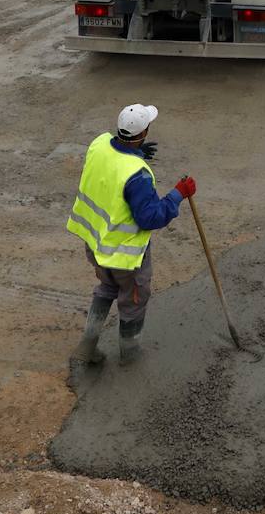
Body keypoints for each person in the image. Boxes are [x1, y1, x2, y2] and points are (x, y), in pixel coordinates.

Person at [67, 103, 196, 365]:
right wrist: (178, 194)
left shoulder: (100, 144)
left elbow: (111, 166)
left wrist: (134, 153)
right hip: (125, 255)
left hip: (96, 242)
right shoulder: (138, 176)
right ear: (144, 132)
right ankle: (130, 354)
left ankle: (89, 343)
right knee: (134, 298)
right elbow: (150, 217)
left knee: (107, 287)